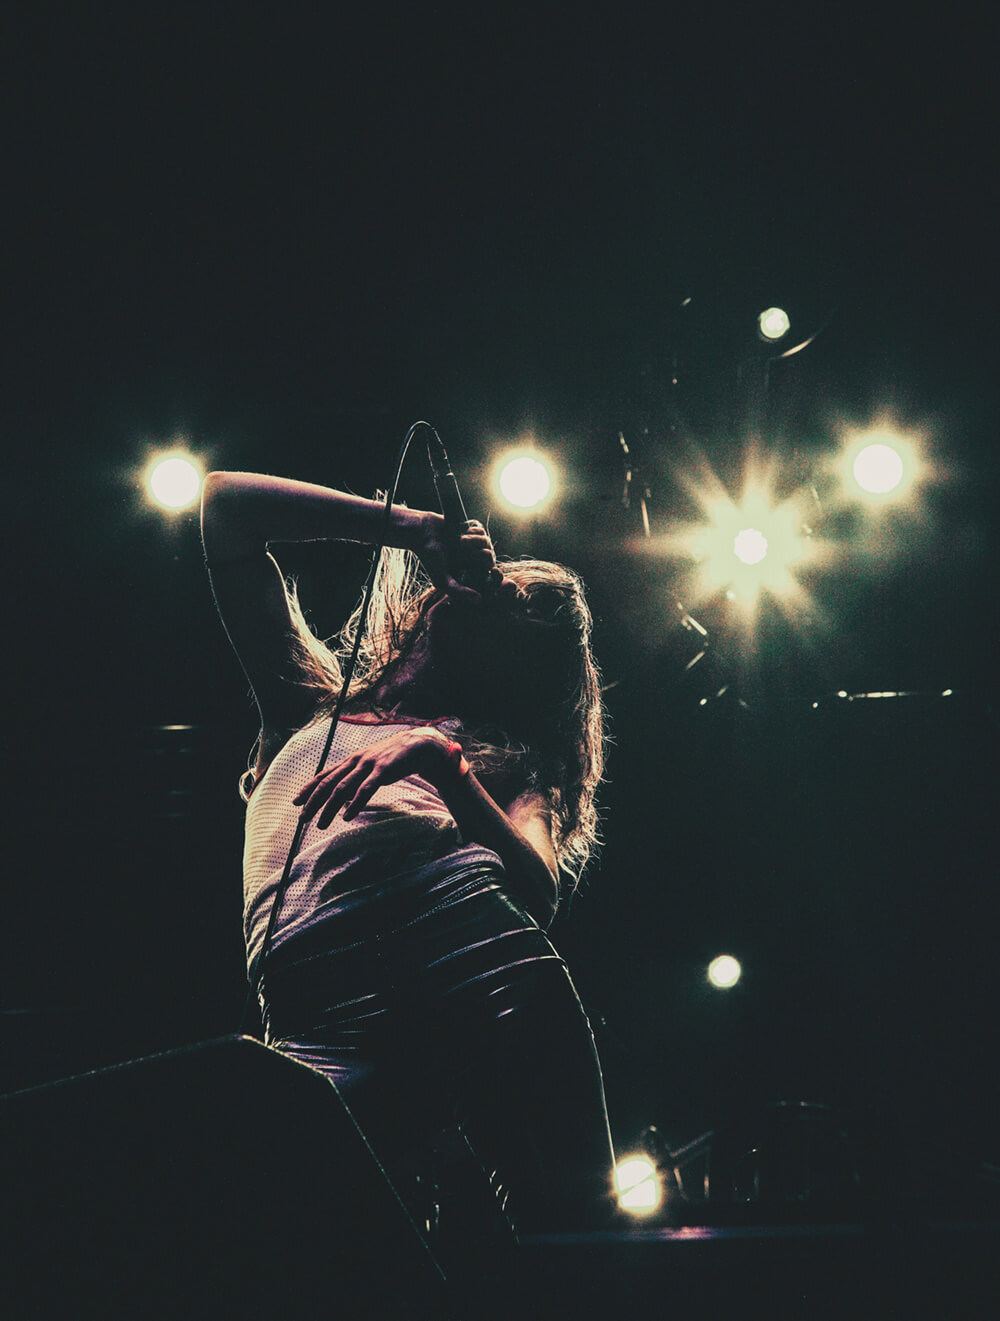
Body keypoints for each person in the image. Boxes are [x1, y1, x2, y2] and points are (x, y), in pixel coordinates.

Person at [200, 469, 618, 1240]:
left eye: (515, 603)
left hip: (473, 948)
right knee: (308, 1246)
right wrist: (411, 527)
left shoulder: (504, 757)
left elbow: (540, 888)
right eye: (502, 579)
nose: (496, 585)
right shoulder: (309, 701)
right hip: (314, 999)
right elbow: (225, 506)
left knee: (576, 1232)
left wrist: (439, 760)